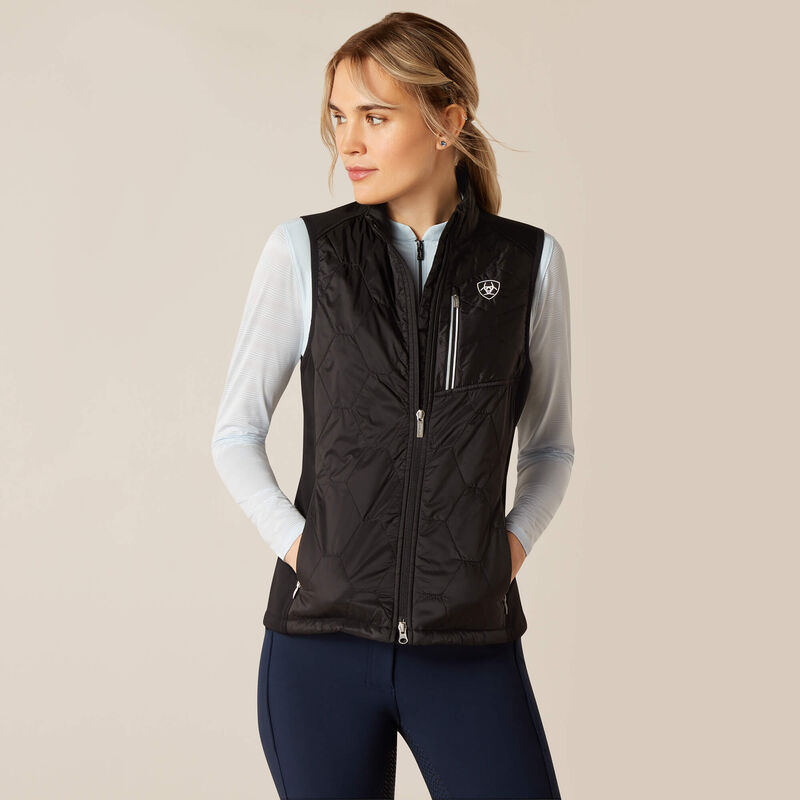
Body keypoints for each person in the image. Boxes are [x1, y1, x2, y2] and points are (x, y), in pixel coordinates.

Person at [211, 11, 574, 800]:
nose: (349, 142)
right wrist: (307, 553)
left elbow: (550, 447)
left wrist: (505, 552)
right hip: (320, 647)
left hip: (467, 645)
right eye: (339, 117)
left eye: (375, 117)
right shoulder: (305, 253)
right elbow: (235, 433)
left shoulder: (526, 264)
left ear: (448, 121)